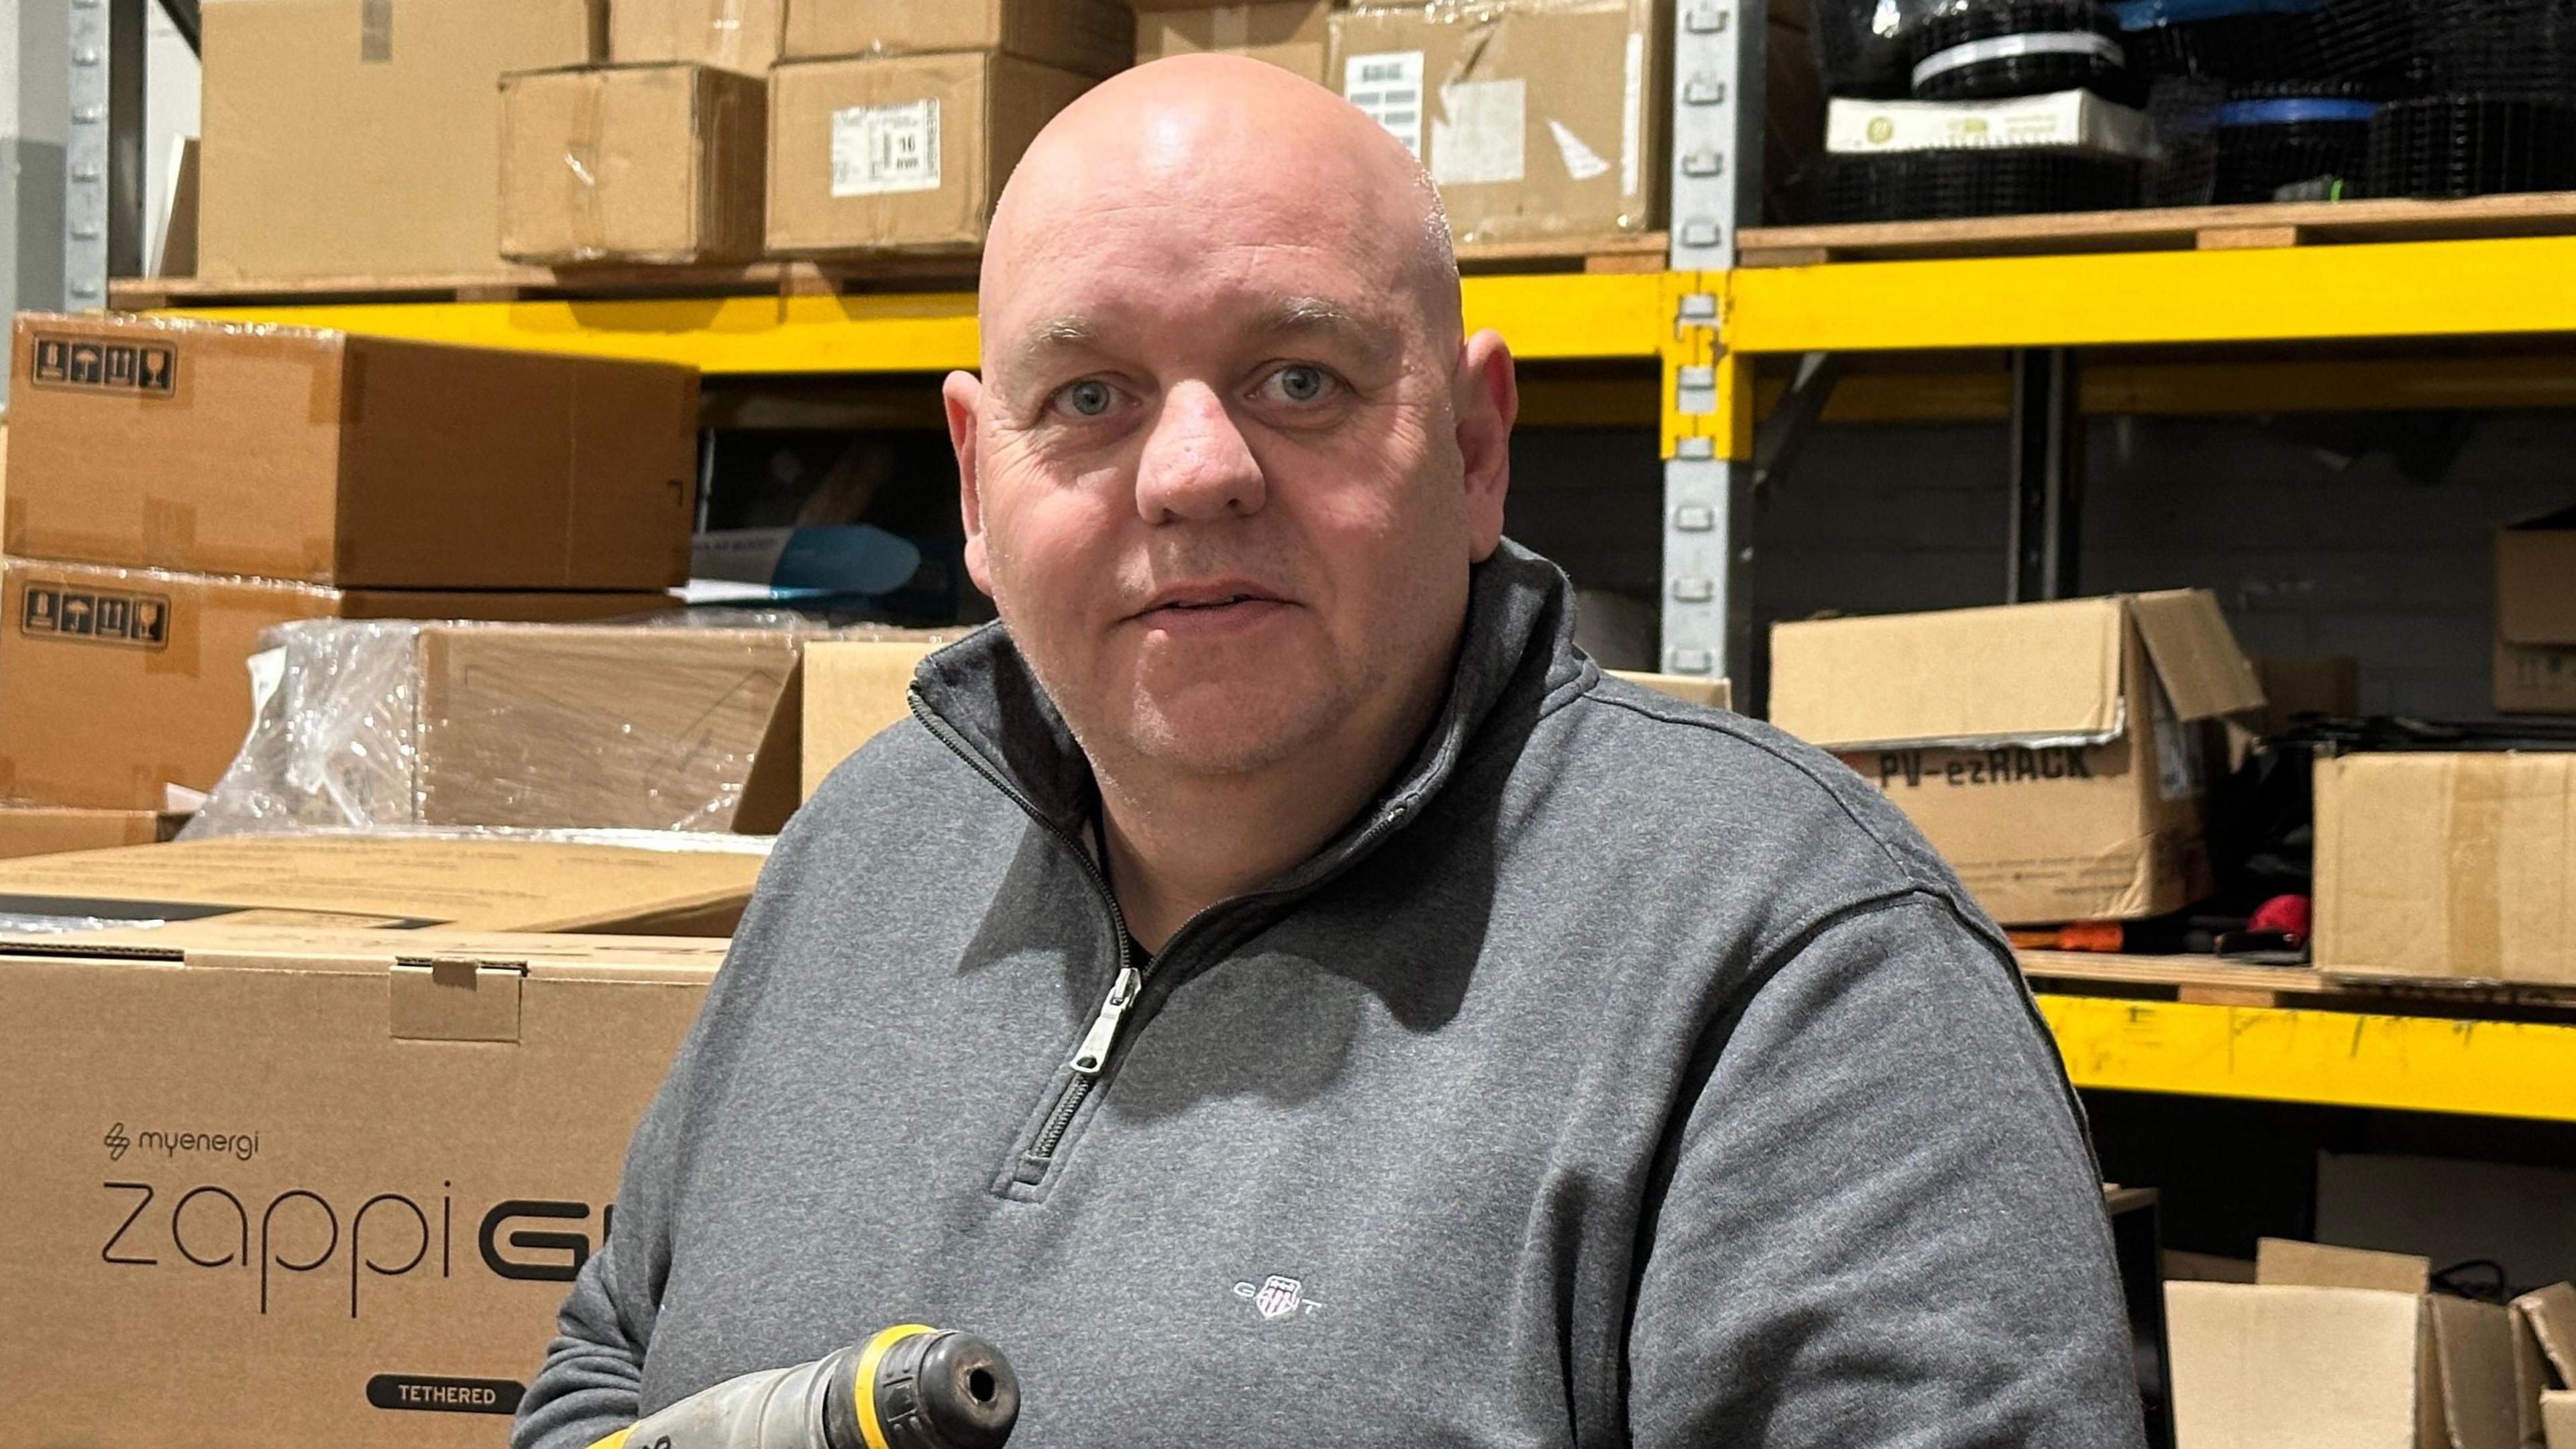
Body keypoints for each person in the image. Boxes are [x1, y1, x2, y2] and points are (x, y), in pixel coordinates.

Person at [514, 55, 2147, 1449]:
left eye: (1299, 378)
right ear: (974, 485)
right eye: (1088, 397)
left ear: (1476, 441)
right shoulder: (866, 848)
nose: (1194, 473)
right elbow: (606, 1375)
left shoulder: (1787, 959)